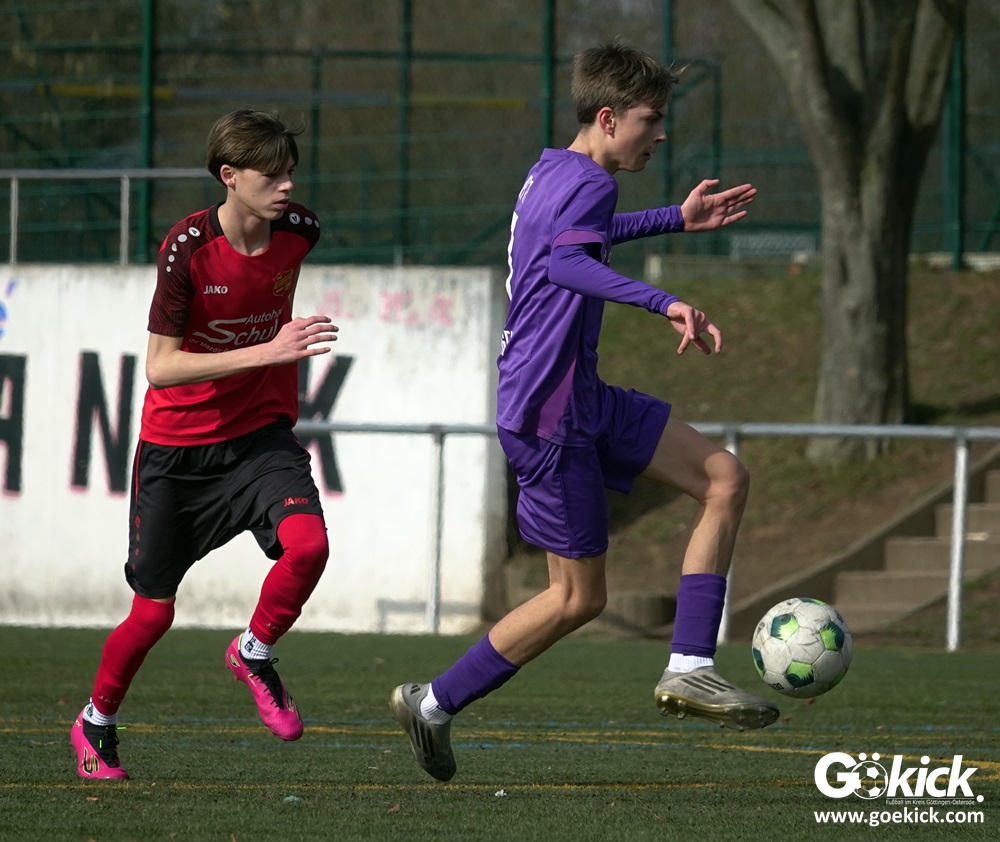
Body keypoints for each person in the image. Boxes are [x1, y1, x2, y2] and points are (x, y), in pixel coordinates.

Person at [389, 41, 778, 783]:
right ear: (607, 118)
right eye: (649, 119)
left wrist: (676, 218)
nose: (659, 133)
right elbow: (568, 263)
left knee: (724, 478)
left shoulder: (556, 170)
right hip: (548, 411)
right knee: (576, 597)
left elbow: (576, 240)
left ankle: (690, 666)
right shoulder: (590, 183)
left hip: (580, 396)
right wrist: (664, 301)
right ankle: (432, 702)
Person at [71, 109, 339, 780]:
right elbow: (161, 367)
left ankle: (254, 651)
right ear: (229, 176)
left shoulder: (300, 232)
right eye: (271, 175)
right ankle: (95, 722)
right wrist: (268, 350)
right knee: (152, 614)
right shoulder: (186, 248)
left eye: (290, 172)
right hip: (177, 451)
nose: (287, 186)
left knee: (309, 545)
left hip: (259, 438)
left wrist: (269, 357)